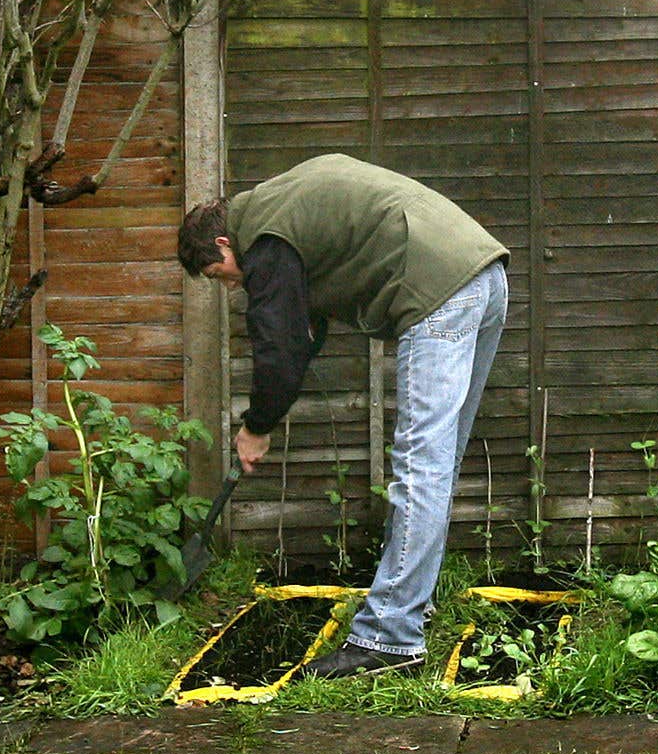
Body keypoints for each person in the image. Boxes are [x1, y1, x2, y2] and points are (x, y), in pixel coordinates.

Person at [177, 153, 508, 678]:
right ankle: (409, 608)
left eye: (223, 276)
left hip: (437, 291)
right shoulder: (282, 211)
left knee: (421, 471)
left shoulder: (265, 240)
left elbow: (279, 346)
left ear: (223, 244)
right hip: (483, 277)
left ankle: (390, 638)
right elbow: (303, 337)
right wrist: (270, 411)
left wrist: (256, 427)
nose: (232, 286)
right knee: (435, 466)